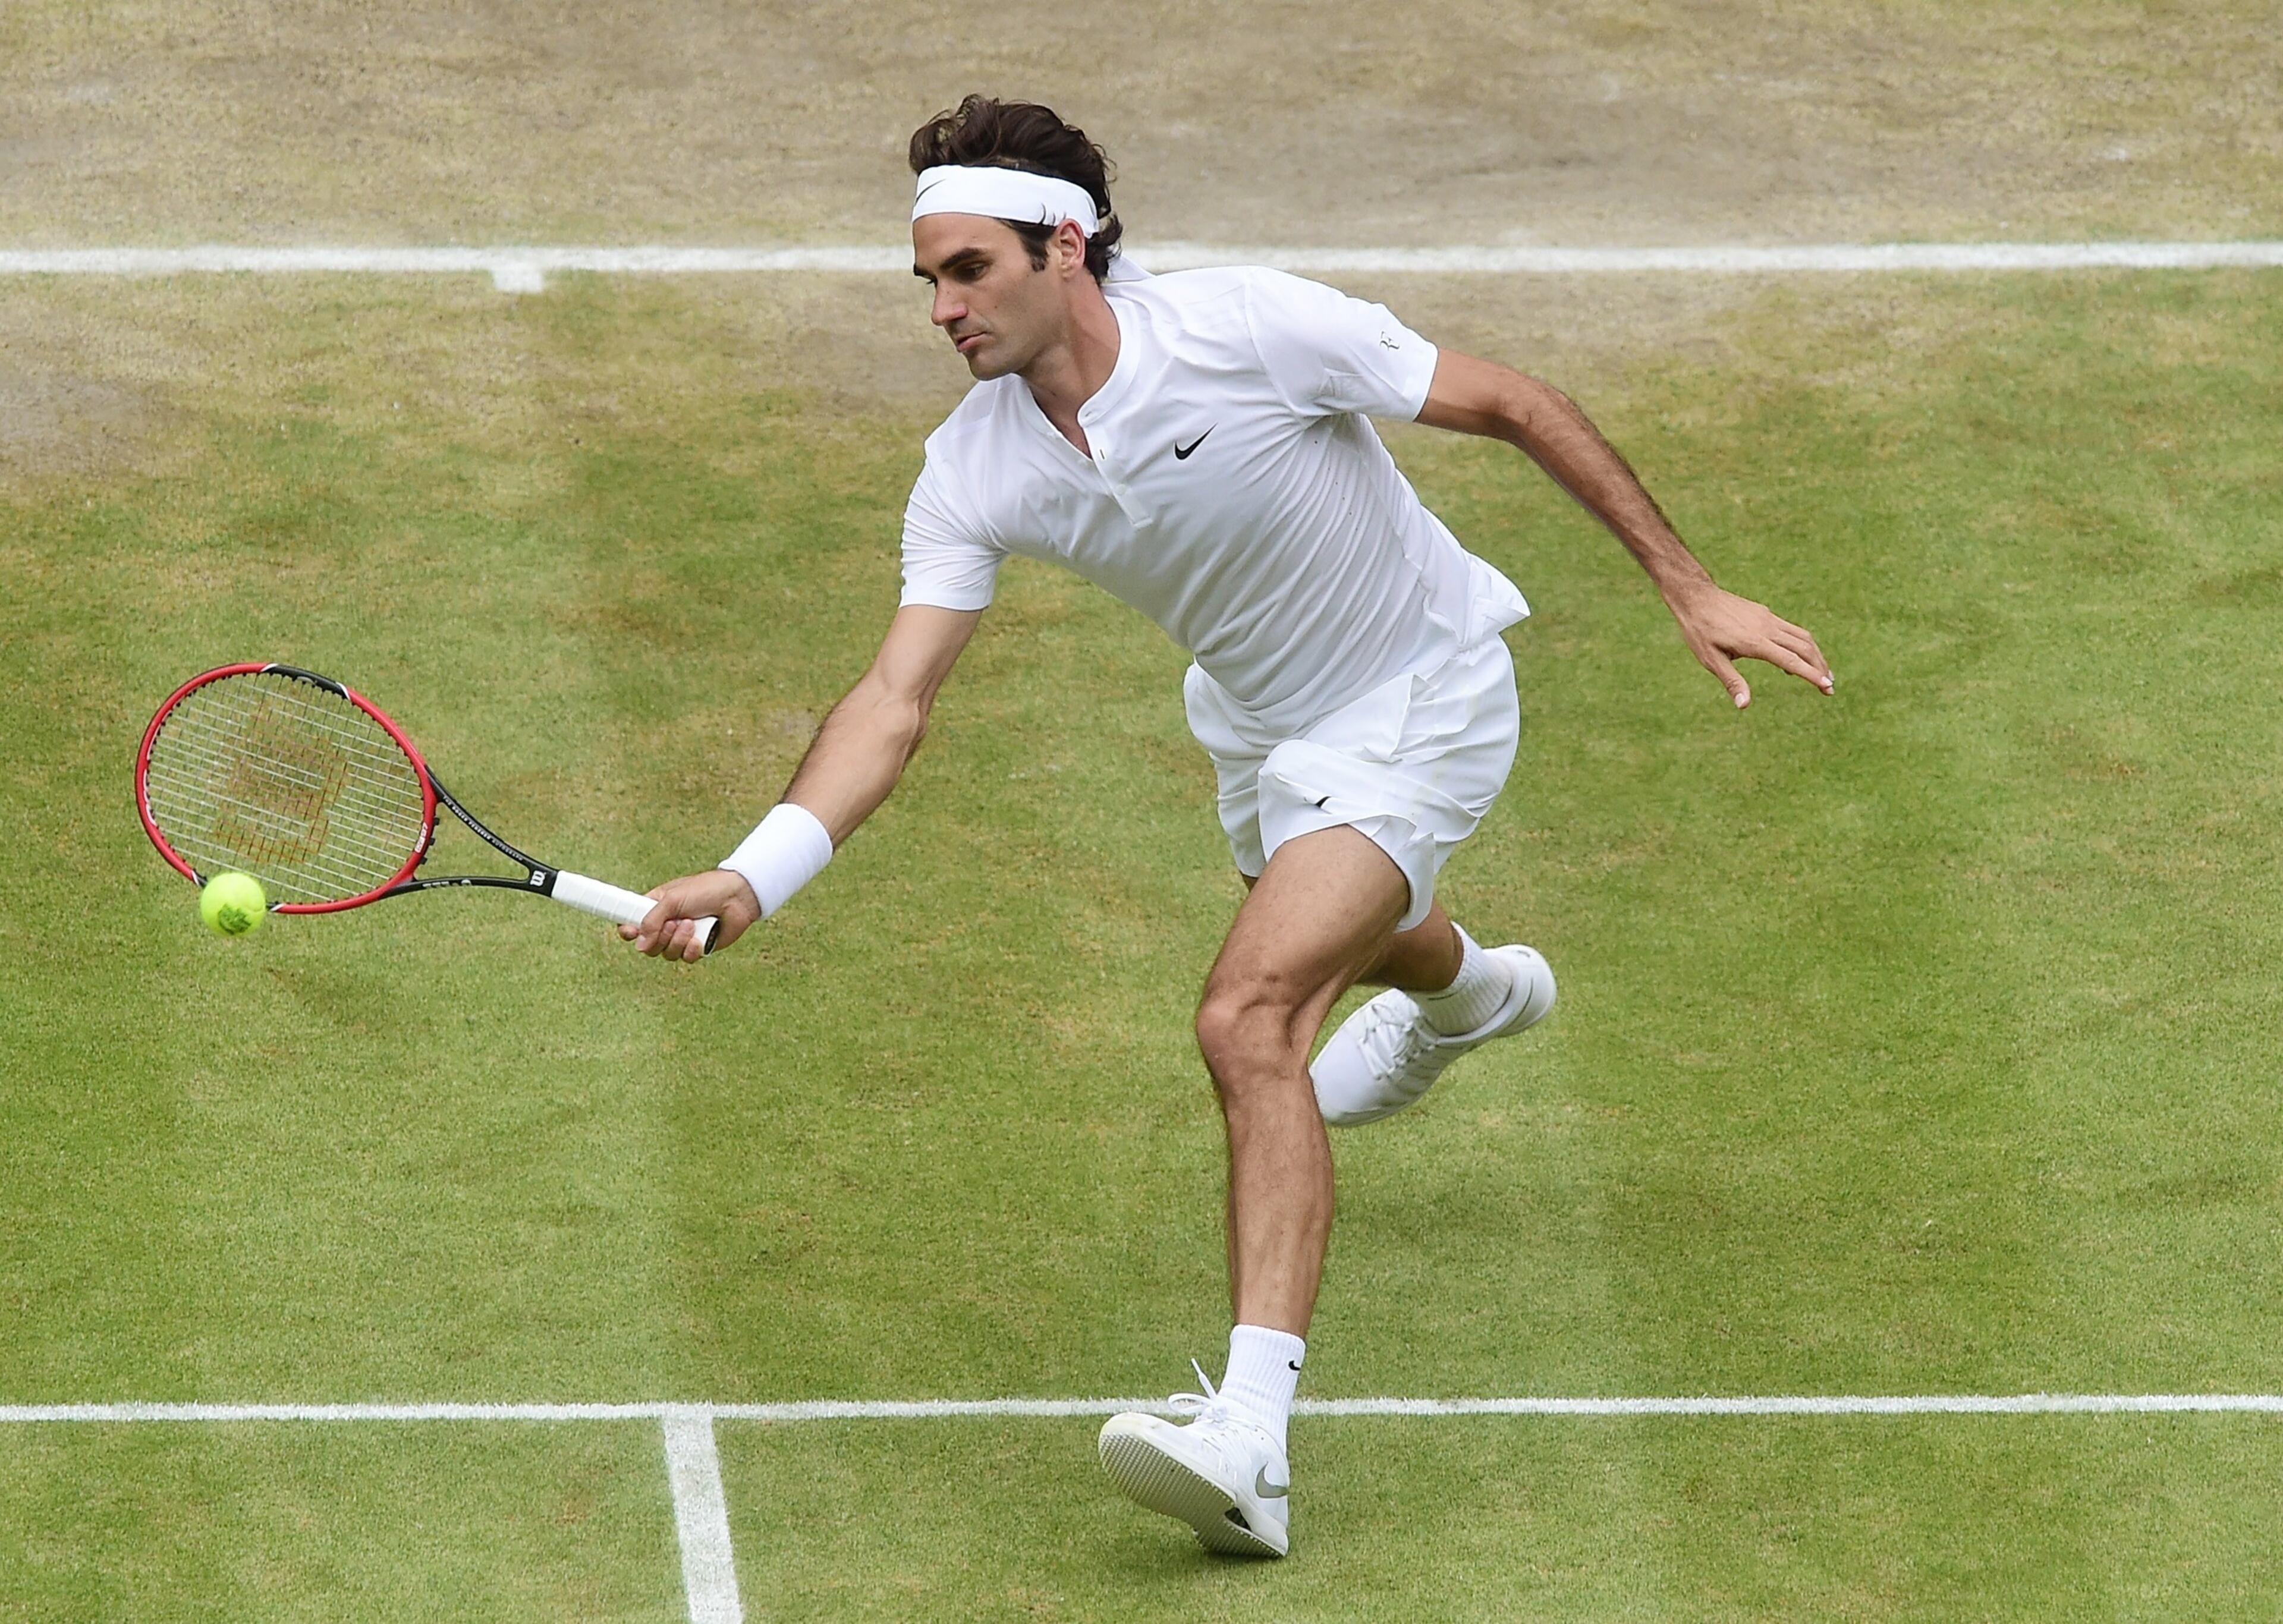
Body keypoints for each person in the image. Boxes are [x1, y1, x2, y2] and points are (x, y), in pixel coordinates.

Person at [625, 95, 1832, 1558]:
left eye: (967, 271)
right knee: (1347, 945)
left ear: (1063, 246)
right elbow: (894, 699)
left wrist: (1685, 582)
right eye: (929, 282)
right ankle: (1478, 995)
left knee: (1250, 1014)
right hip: (1262, 728)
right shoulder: (975, 467)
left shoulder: (1251, 330)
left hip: (1427, 692)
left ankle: (1249, 1437)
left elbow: (1510, 401)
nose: (941, 308)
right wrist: (760, 874)